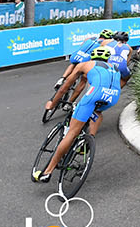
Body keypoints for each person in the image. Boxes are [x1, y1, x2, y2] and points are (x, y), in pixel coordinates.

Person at [34, 46, 125, 182]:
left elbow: (65, 87)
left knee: (72, 132)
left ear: (92, 56)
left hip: (96, 93)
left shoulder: (85, 64)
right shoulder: (115, 68)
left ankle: (47, 172)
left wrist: (52, 104)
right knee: (97, 112)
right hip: (113, 97)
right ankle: (87, 142)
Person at [48, 29, 113, 111]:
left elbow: (82, 45)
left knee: (73, 64)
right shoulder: (104, 44)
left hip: (77, 55)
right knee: (83, 80)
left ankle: (62, 79)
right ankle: (69, 103)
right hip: (86, 58)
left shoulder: (90, 38)